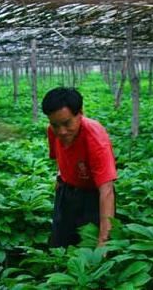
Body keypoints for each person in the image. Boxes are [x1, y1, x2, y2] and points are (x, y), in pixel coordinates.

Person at [42, 87, 117, 248]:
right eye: (55, 125)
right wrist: (60, 176)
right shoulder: (52, 130)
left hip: (93, 197)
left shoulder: (95, 138)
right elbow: (59, 155)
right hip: (66, 191)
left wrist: (104, 241)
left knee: (90, 247)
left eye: (67, 123)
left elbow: (106, 190)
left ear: (80, 112)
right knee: (59, 244)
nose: (61, 131)